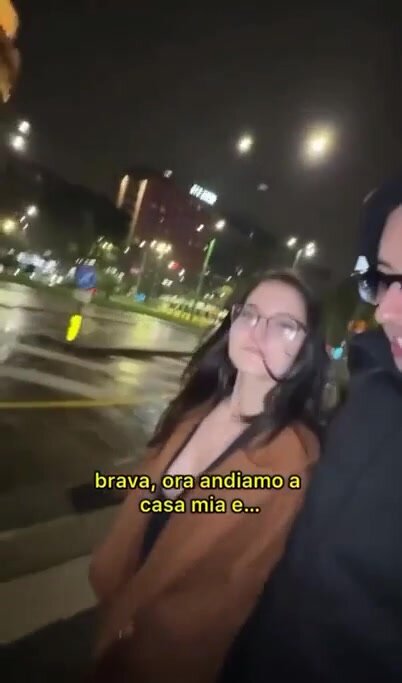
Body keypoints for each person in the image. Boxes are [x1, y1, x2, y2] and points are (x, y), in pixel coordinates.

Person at [86, 269, 328, 683]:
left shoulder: (291, 463)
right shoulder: (196, 410)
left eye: (284, 325)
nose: (258, 330)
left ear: (305, 352)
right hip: (115, 634)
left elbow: (252, 591)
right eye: (250, 314)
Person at [219, 175, 402, 682]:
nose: (386, 311)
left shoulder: (294, 447)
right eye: (386, 279)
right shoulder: (369, 389)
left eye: (284, 325)